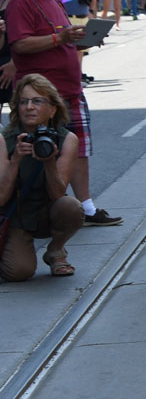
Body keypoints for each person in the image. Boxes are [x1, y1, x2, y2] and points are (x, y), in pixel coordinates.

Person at [7, 0, 123, 225]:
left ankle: (87, 207)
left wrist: (85, 39)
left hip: (69, 90)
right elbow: (21, 44)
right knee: (43, 151)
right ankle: (46, 211)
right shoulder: (20, 3)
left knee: (79, 150)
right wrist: (61, 39)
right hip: (42, 95)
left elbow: (59, 38)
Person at [0, 74, 85, 280]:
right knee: (18, 272)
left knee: (71, 207)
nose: (29, 107)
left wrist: (49, 161)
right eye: (24, 101)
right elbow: (1, 197)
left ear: (52, 109)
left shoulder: (66, 139)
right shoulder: (4, 138)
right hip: (15, 216)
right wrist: (16, 160)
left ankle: (56, 250)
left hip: (47, 211)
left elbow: (58, 193)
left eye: (37, 101)